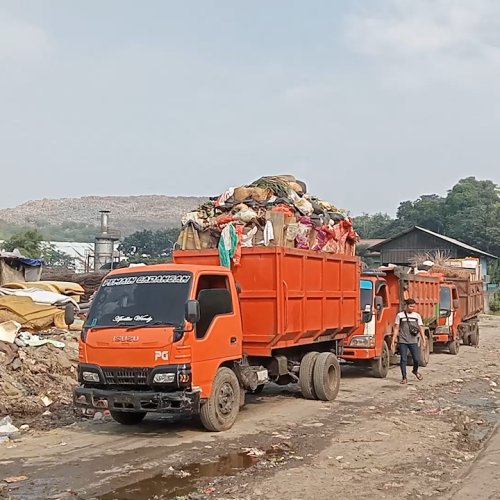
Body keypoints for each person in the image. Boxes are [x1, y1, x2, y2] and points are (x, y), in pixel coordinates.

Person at [391, 298, 427, 384]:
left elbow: (421, 328)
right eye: (411, 306)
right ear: (406, 306)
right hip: (403, 340)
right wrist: (393, 340)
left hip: (413, 341)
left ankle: (415, 371)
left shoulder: (417, 316)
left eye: (414, 306)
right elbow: (396, 328)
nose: (412, 308)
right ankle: (404, 377)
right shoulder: (400, 315)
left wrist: (423, 340)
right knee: (403, 359)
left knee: (416, 359)